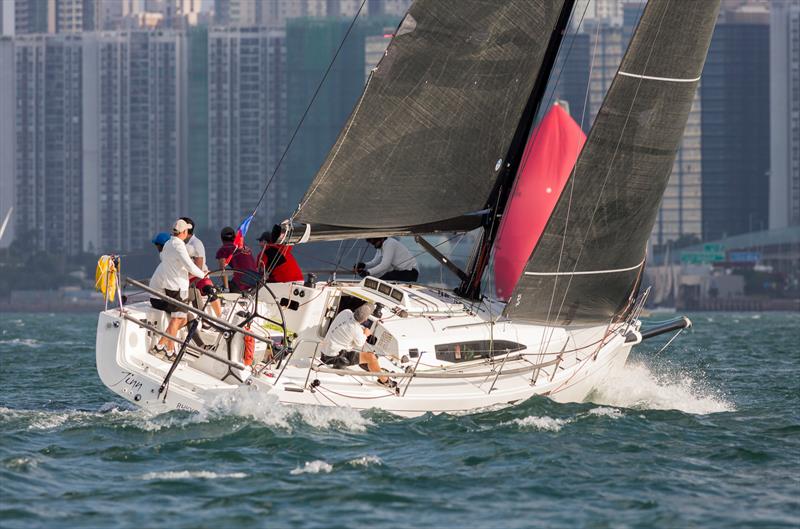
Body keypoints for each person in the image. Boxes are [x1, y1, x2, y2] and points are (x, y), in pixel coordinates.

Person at [149, 219, 207, 358]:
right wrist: (203, 274)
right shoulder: (179, 246)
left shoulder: (168, 244)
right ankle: (161, 347)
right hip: (179, 289)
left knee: (179, 319)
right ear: (184, 232)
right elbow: (188, 265)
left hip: (171, 288)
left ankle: (167, 349)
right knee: (178, 320)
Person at [320, 303, 395, 388]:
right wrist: (366, 334)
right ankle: (385, 381)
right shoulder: (356, 329)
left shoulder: (345, 312)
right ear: (366, 319)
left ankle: (368, 366)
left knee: (357, 351)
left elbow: (350, 326)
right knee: (371, 357)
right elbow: (360, 344)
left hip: (324, 351)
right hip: (335, 357)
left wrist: (361, 331)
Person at [179, 216, 222, 317]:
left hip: (198, 276)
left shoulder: (196, 244)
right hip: (185, 277)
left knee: (209, 290)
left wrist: (185, 280)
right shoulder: (180, 243)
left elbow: (198, 269)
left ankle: (220, 318)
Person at [215, 226, 259, 293]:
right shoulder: (243, 246)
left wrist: (226, 289)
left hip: (241, 284)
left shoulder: (223, 249)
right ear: (234, 236)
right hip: (256, 283)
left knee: (217, 291)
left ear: (222, 239)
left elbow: (222, 269)